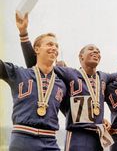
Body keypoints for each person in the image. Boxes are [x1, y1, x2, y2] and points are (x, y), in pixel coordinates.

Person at [16, 12, 117, 151]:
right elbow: (36, 65)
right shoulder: (69, 73)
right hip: (77, 135)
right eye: (91, 49)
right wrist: (24, 35)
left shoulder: (103, 77)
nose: (96, 52)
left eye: (98, 51)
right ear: (81, 57)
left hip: (98, 136)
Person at [1, 15, 67, 151]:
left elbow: (73, 110)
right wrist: (23, 32)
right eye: (49, 44)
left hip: (50, 141)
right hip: (22, 138)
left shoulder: (61, 83)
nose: (54, 48)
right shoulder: (19, 73)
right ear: (36, 49)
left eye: (56, 46)